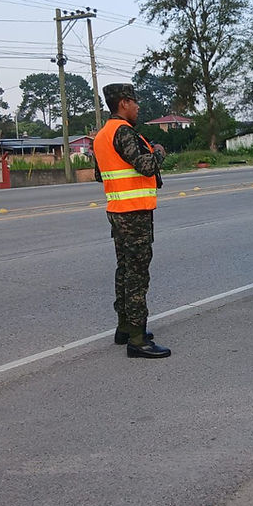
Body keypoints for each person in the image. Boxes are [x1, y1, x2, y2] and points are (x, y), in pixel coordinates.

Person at [93, 83, 171, 358]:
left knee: (125, 270)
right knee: (137, 275)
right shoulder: (123, 131)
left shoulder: (102, 135)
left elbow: (99, 174)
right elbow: (146, 165)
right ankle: (138, 340)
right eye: (134, 102)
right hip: (134, 213)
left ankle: (124, 327)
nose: (138, 107)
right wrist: (159, 151)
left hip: (117, 210)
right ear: (123, 103)